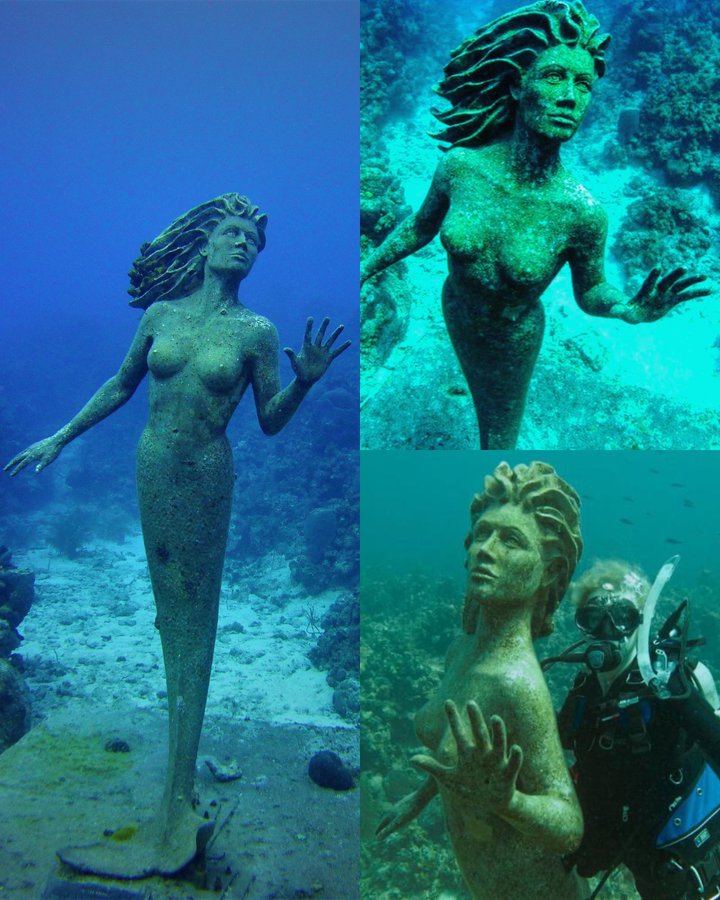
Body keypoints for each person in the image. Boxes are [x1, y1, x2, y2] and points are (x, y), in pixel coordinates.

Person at [4, 193, 350, 878]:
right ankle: (172, 799)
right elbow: (121, 383)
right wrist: (62, 435)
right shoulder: (160, 317)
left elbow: (270, 421)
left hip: (207, 475)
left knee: (198, 620)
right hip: (154, 469)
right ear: (204, 245)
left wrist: (306, 384)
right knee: (171, 617)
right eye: (230, 232)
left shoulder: (255, 331)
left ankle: (176, 804)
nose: (242, 244)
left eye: (252, 238)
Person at [360, 1, 711, 450]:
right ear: (516, 86)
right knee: (474, 400)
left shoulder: (582, 213)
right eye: (554, 76)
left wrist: (629, 310)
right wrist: (367, 266)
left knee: (497, 441)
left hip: (513, 340)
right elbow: (419, 228)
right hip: (456, 311)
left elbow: (591, 292)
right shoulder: (460, 167)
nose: (570, 97)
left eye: (584, 85)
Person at [376, 461, 585, 899]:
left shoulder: (517, 684)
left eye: (511, 540)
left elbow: (569, 826)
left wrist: (508, 802)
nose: (484, 551)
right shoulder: (462, 650)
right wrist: (417, 799)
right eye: (483, 534)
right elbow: (467, 763)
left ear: (548, 570)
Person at [557, 559, 720, 898]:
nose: (607, 630)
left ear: (640, 623)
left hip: (698, 854)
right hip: (646, 861)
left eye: (621, 617)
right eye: (593, 619)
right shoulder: (583, 694)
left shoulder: (667, 685)